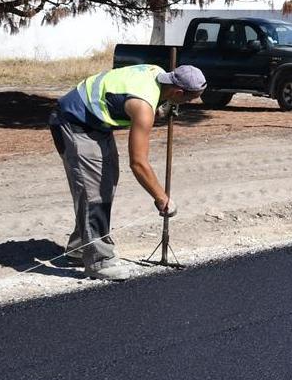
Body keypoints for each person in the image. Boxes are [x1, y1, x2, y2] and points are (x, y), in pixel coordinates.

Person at [50, 64, 206, 280]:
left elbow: (128, 96)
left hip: (95, 122)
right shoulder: (142, 107)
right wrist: (162, 198)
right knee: (94, 191)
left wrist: (161, 107)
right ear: (178, 92)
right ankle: (98, 261)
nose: (188, 104)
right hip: (73, 121)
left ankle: (80, 247)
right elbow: (138, 163)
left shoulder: (156, 72)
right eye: (189, 99)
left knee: (106, 182)